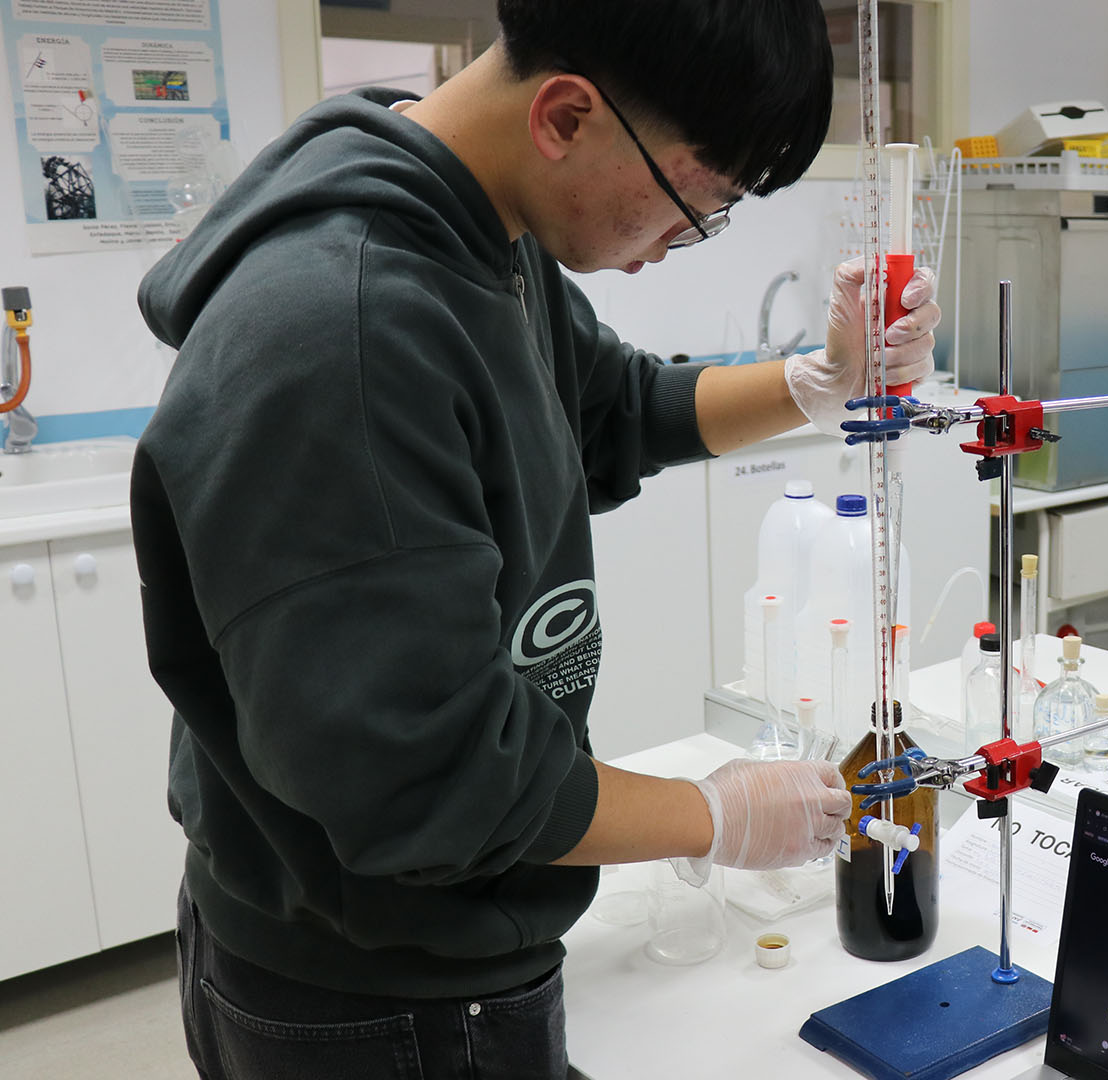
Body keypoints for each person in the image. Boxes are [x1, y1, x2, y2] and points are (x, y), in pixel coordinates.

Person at [130, 2, 938, 1076]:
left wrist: (823, 383)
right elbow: (433, 783)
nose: (675, 248)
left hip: (433, 937)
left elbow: (614, 409)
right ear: (565, 115)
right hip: (371, 996)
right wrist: (712, 814)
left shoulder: (477, 237)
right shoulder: (345, 331)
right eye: (695, 205)